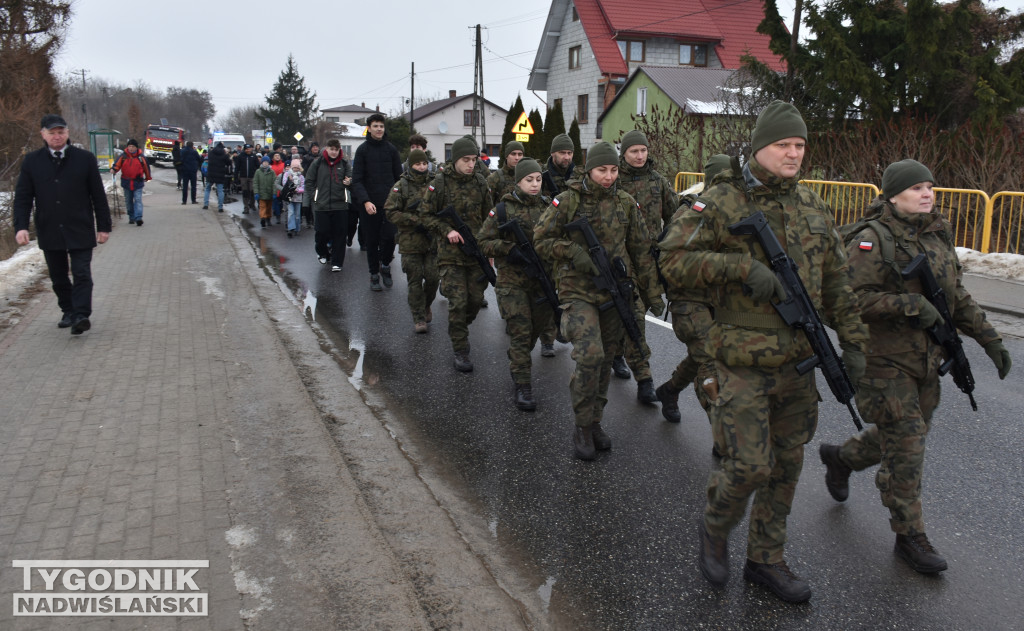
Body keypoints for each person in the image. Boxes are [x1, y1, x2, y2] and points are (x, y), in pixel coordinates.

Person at [658, 101, 868, 603]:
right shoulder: (721, 202)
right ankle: (716, 523)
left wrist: (854, 345)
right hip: (741, 360)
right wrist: (738, 268)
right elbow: (671, 260)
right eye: (783, 145)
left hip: (800, 361)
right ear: (759, 148)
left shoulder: (813, 207)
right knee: (750, 465)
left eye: (800, 146)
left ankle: (766, 560)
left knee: (786, 467)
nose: (794, 154)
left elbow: (838, 284)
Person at [817, 159, 1012, 575]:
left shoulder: (937, 236)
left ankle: (842, 458)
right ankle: (910, 535)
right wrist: (908, 304)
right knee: (907, 445)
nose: (928, 194)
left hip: (927, 360)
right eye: (917, 188)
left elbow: (955, 296)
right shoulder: (871, 240)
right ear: (892, 195)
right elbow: (843, 302)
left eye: (930, 186)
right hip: (883, 362)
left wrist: (990, 339)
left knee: (906, 433)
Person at [534, 141, 663, 459]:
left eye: (613, 170)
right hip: (578, 293)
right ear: (589, 169)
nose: (608, 176)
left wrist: (653, 293)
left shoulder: (625, 203)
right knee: (590, 356)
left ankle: (594, 422)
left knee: (605, 362)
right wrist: (573, 252)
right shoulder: (567, 201)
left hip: (615, 292)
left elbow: (641, 251)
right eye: (602, 170)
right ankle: (581, 424)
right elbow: (541, 240)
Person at [655, 155, 734, 438]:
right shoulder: (690, 213)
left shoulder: (737, 212)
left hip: (720, 301)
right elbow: (672, 261)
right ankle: (723, 436)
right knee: (709, 359)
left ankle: (669, 390)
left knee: (701, 353)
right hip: (689, 300)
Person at [13, 114, 112, 335]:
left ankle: (81, 315)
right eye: (52, 133)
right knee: (58, 275)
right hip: (50, 227)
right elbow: (23, 198)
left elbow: (98, 195)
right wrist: (20, 226)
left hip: (79, 225)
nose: (57, 137)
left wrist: (104, 226)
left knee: (81, 273)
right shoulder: (32, 161)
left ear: (67, 133)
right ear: (43, 135)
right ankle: (68, 310)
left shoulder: (84, 159)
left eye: (61, 132)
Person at [479, 158, 555, 411]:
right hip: (512, 282)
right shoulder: (502, 210)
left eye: (538, 179)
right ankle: (523, 385)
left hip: (542, 281)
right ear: (518, 181)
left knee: (536, 329)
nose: (534, 185)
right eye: (528, 180)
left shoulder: (549, 207)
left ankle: (517, 361)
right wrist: (508, 249)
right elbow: (483, 242)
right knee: (521, 333)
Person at [614, 130, 680, 402]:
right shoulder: (612, 181)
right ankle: (642, 377)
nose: (640, 156)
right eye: (634, 152)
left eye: (643, 151)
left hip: (650, 261)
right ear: (624, 154)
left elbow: (675, 217)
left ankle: (628, 363)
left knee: (634, 314)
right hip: (620, 261)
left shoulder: (658, 182)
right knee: (631, 315)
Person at [423, 136, 492, 371]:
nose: (471, 164)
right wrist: (447, 230)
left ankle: (459, 327)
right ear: (455, 159)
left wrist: (489, 247)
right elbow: (426, 214)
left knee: (474, 301)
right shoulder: (439, 183)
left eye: (474, 159)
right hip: (449, 254)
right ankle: (460, 348)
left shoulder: (481, 183)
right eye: (466, 160)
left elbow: (488, 217)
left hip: (475, 253)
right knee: (458, 301)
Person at [384, 148, 439, 333]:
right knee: (414, 280)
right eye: (417, 164)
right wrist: (414, 221)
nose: (422, 167)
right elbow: (390, 211)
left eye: (424, 163)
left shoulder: (435, 183)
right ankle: (419, 318)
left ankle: (425, 305)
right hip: (410, 241)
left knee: (433, 278)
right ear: (410, 165)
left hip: (432, 241)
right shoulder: (401, 185)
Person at [351, 113, 403, 291]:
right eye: (375, 126)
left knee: (389, 238)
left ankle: (386, 265)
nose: (379, 129)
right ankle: (374, 275)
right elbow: (356, 180)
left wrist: (398, 199)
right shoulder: (362, 150)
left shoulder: (391, 150)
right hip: (369, 204)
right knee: (371, 241)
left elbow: (399, 178)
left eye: (381, 126)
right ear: (369, 128)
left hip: (390, 204)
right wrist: (365, 201)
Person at [302, 138, 352, 272]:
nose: (334, 152)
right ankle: (322, 252)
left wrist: (349, 182)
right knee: (321, 232)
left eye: (336, 150)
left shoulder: (345, 164)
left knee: (340, 235)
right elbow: (309, 181)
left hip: (340, 205)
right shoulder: (317, 163)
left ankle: (337, 262)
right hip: (322, 205)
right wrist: (314, 196)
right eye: (332, 149)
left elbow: (352, 179)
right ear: (327, 149)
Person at [111, 138, 152, 226]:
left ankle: (138, 217)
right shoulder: (123, 156)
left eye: (133, 146)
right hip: (126, 182)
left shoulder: (141, 157)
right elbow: (117, 165)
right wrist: (114, 170)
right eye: (129, 146)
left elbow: (146, 168)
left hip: (138, 182)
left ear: (136, 147)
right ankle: (131, 216)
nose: (131, 148)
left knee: (138, 200)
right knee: (128, 201)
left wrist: (148, 177)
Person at [541, 133, 576, 198]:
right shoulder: (540, 175)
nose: (567, 157)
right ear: (552, 153)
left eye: (569, 153)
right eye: (562, 153)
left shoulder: (579, 176)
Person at [276, 158, 305, 237]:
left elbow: (303, 187)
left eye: (297, 167)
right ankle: (290, 228)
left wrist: (298, 190)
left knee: (297, 215)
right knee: (290, 213)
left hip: (298, 198)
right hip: (289, 197)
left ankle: (297, 229)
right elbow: (285, 184)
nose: (296, 169)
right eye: (294, 167)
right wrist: (290, 182)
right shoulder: (287, 175)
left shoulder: (301, 177)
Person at [204, 142, 232, 211]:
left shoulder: (211, 153)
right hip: (220, 174)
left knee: (207, 189)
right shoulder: (224, 155)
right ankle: (220, 207)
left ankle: (206, 205)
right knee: (220, 191)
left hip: (211, 174)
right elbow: (229, 163)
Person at [234, 144, 261, 214]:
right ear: (244, 149)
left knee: (252, 191)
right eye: (247, 149)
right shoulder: (241, 156)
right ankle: (246, 207)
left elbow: (258, 166)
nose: (248, 150)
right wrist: (236, 177)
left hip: (252, 177)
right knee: (245, 192)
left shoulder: (253, 156)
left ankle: (252, 204)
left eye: (249, 149)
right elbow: (237, 168)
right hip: (243, 177)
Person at [253, 156, 276, 228]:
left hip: (269, 193)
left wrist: (274, 193)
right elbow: (255, 182)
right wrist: (256, 192)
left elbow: (274, 183)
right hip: (261, 193)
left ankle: (268, 218)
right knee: (262, 207)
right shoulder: (258, 171)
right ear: (262, 162)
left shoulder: (272, 172)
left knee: (269, 207)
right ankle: (262, 218)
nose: (265, 163)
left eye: (267, 162)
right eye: (264, 162)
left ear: (268, 163)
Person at [179, 141, 202, 205]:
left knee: (185, 186)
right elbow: (199, 159)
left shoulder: (182, 151)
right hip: (192, 170)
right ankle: (193, 200)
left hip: (185, 170)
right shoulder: (194, 152)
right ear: (192, 145)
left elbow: (180, 159)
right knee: (193, 186)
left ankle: (184, 201)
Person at [269, 152, 286, 224]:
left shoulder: (283, 165)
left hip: (282, 186)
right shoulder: (270, 166)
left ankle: (279, 211)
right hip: (274, 186)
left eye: (278, 155)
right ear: (273, 158)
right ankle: (278, 216)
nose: (277, 156)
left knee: (281, 203)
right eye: (275, 155)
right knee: (275, 202)